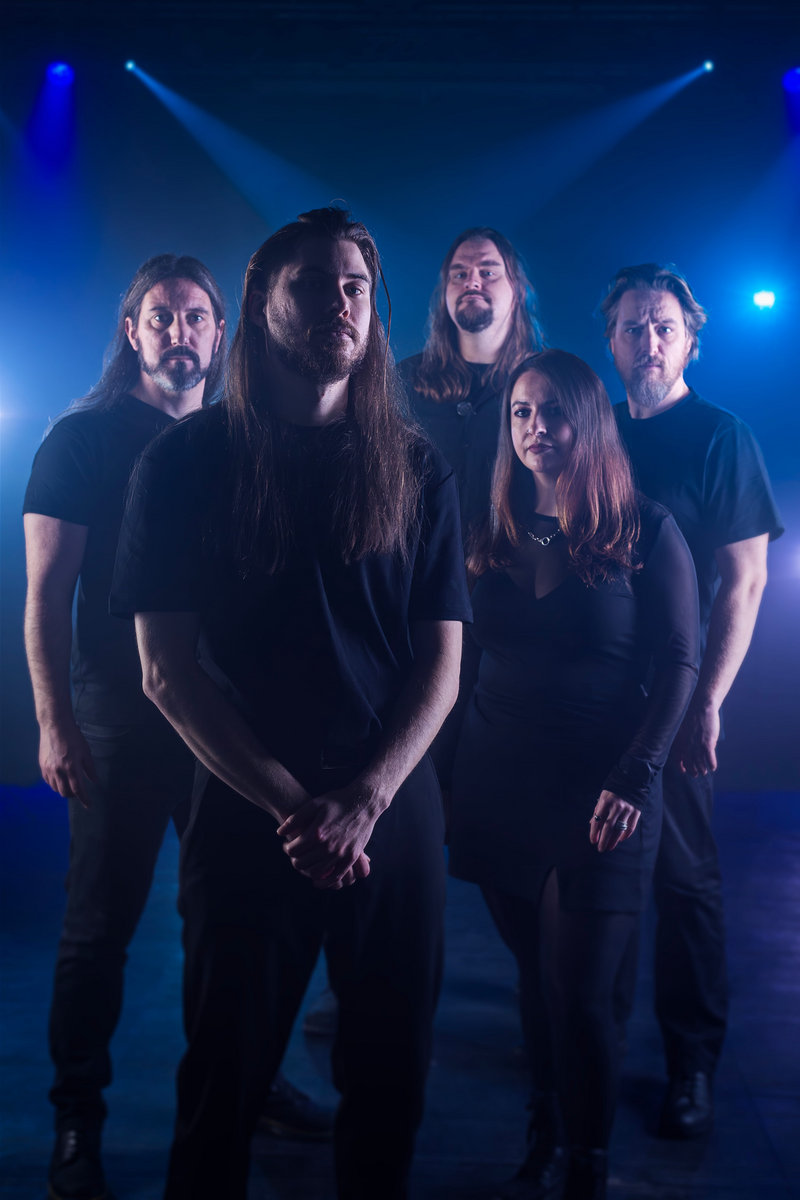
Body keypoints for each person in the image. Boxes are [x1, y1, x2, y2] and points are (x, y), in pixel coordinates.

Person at [109, 207, 471, 1199]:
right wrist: (294, 808)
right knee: (223, 1081)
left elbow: (442, 663)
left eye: (355, 286)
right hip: (247, 808)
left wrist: (366, 799)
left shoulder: (417, 465)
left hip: (390, 807)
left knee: (390, 1080)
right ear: (260, 305)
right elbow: (164, 671)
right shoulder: (184, 463)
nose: (338, 303)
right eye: (310, 283)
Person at [23, 257, 327, 1200]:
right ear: (133, 331)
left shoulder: (242, 440)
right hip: (116, 718)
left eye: (197, 317)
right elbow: (45, 597)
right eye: (162, 316)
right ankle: (77, 1115)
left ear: (220, 331)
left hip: (217, 724)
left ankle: (247, 1083)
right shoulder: (80, 440)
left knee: (231, 925)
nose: (181, 332)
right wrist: (55, 722)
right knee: (97, 930)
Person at [448, 349, 699, 1199]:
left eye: (552, 410)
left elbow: (680, 661)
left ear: (587, 419)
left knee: (581, 993)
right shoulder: (491, 528)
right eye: (520, 413)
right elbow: (459, 660)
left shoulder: (645, 528)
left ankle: (587, 1166)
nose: (535, 428)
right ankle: (547, 1133)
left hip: (603, 795)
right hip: (498, 784)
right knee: (536, 977)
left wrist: (636, 776)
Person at [601, 263, 784, 1138]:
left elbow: (744, 582)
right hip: (591, 690)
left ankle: (692, 1065)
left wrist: (708, 700)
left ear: (690, 342)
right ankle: (579, 1045)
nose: (649, 341)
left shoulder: (720, 437)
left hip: (674, 694)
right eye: (633, 327)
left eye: (664, 327)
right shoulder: (597, 429)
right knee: (589, 873)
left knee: (684, 883)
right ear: (612, 341)